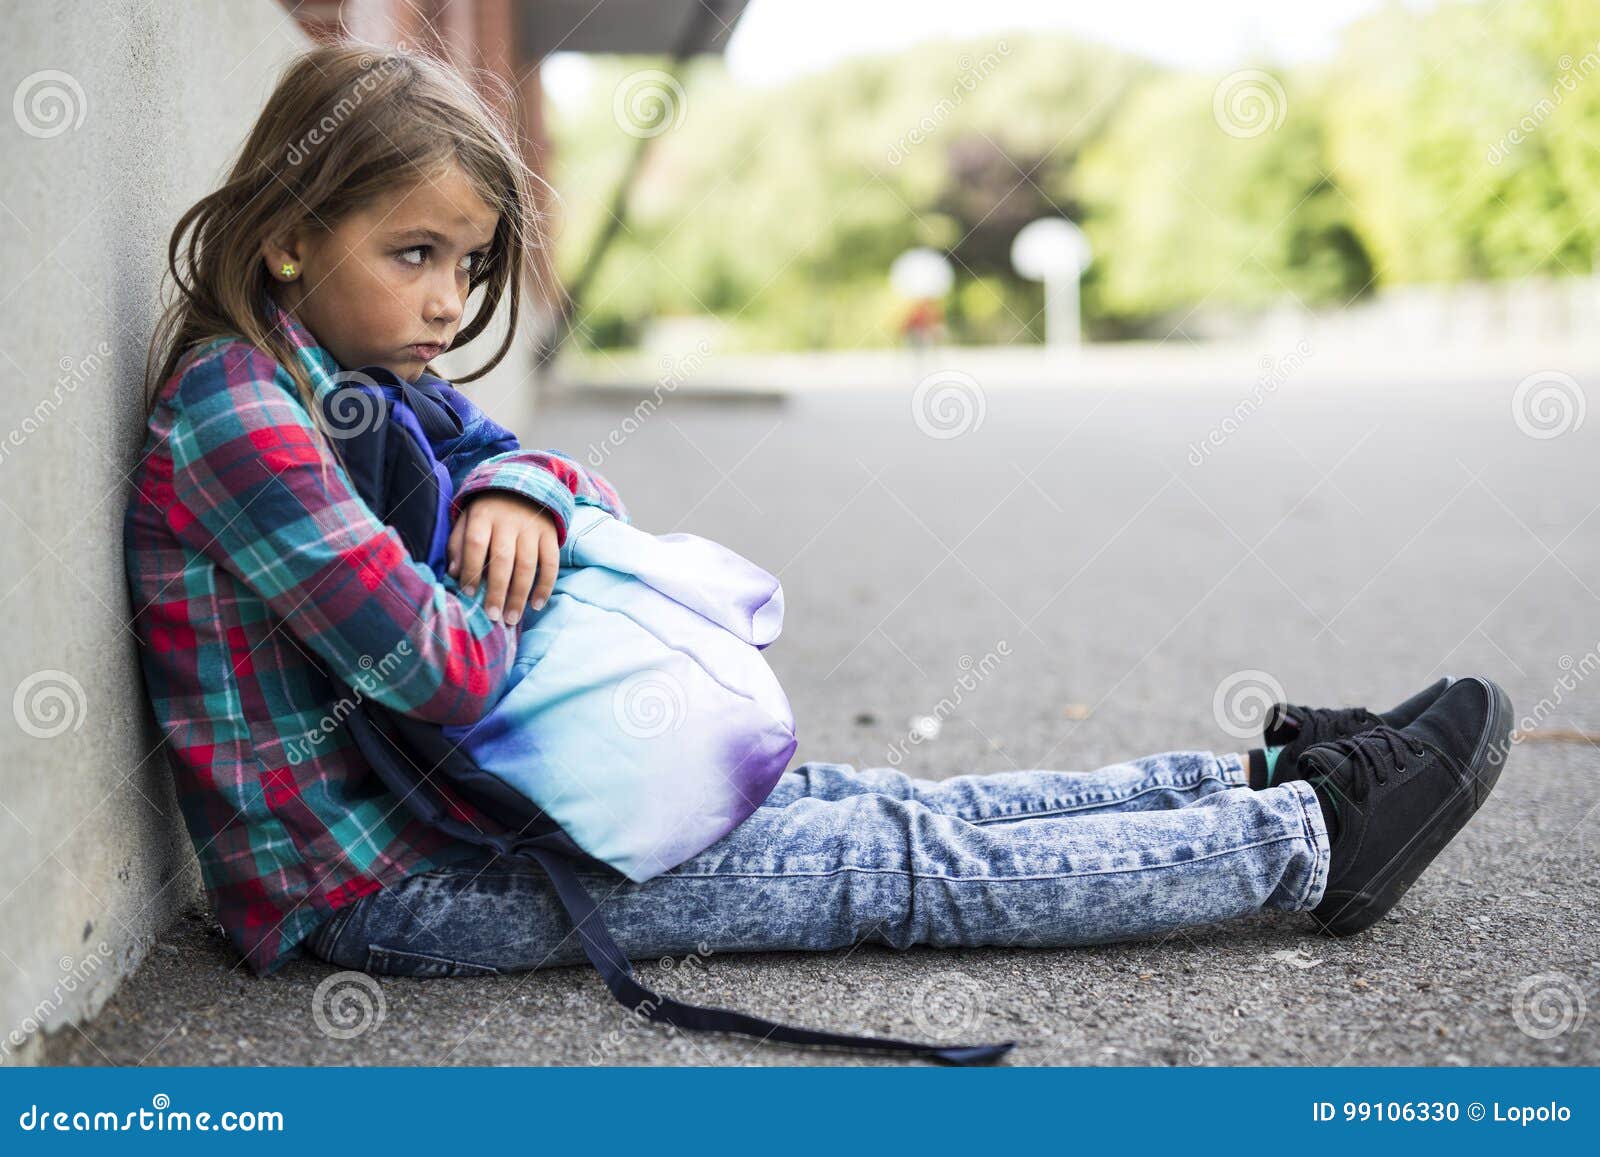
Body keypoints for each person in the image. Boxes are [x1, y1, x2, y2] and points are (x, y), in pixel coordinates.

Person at [125, 42, 1516, 1005]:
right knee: (880, 866)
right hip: (383, 885)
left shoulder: (366, 380)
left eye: (469, 264)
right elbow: (446, 669)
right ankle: (1311, 845)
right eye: (412, 255)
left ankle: (1251, 779)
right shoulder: (241, 412)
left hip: (465, 809)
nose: (446, 302)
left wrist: (519, 489)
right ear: (290, 235)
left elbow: (550, 475)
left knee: (876, 802)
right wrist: (535, 570)